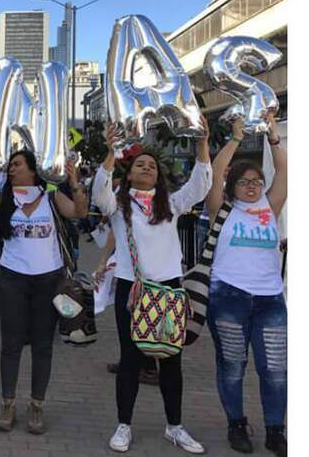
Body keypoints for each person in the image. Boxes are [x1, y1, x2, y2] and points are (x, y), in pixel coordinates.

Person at [92, 119, 211, 454]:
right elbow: (99, 192)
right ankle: (124, 425)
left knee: (170, 359)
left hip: (170, 289)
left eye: (152, 166)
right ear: (129, 174)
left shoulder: (171, 204)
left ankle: (175, 426)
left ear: (158, 176)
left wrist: (202, 143)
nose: (146, 167)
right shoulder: (118, 202)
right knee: (130, 358)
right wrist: (110, 152)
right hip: (132, 289)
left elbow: (200, 186)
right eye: (140, 164)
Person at [0, 150, 88, 435]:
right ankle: (7, 404)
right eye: (10, 165)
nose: (11, 169)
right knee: (10, 345)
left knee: (42, 345)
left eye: (17, 165)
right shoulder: (6, 198)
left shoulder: (50, 196)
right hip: (12, 280)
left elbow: (80, 212)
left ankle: (36, 406)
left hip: (49, 280)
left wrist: (74, 183)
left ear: (33, 170)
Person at [203, 114, 287, 457]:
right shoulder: (221, 209)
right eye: (244, 181)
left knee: (275, 370)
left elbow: (285, 173)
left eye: (257, 180)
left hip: (270, 301)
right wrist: (236, 139)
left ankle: (275, 430)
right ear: (233, 187)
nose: (252, 186)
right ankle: (236, 425)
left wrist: (273, 137)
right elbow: (215, 173)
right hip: (228, 299)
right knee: (233, 367)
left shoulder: (271, 204)